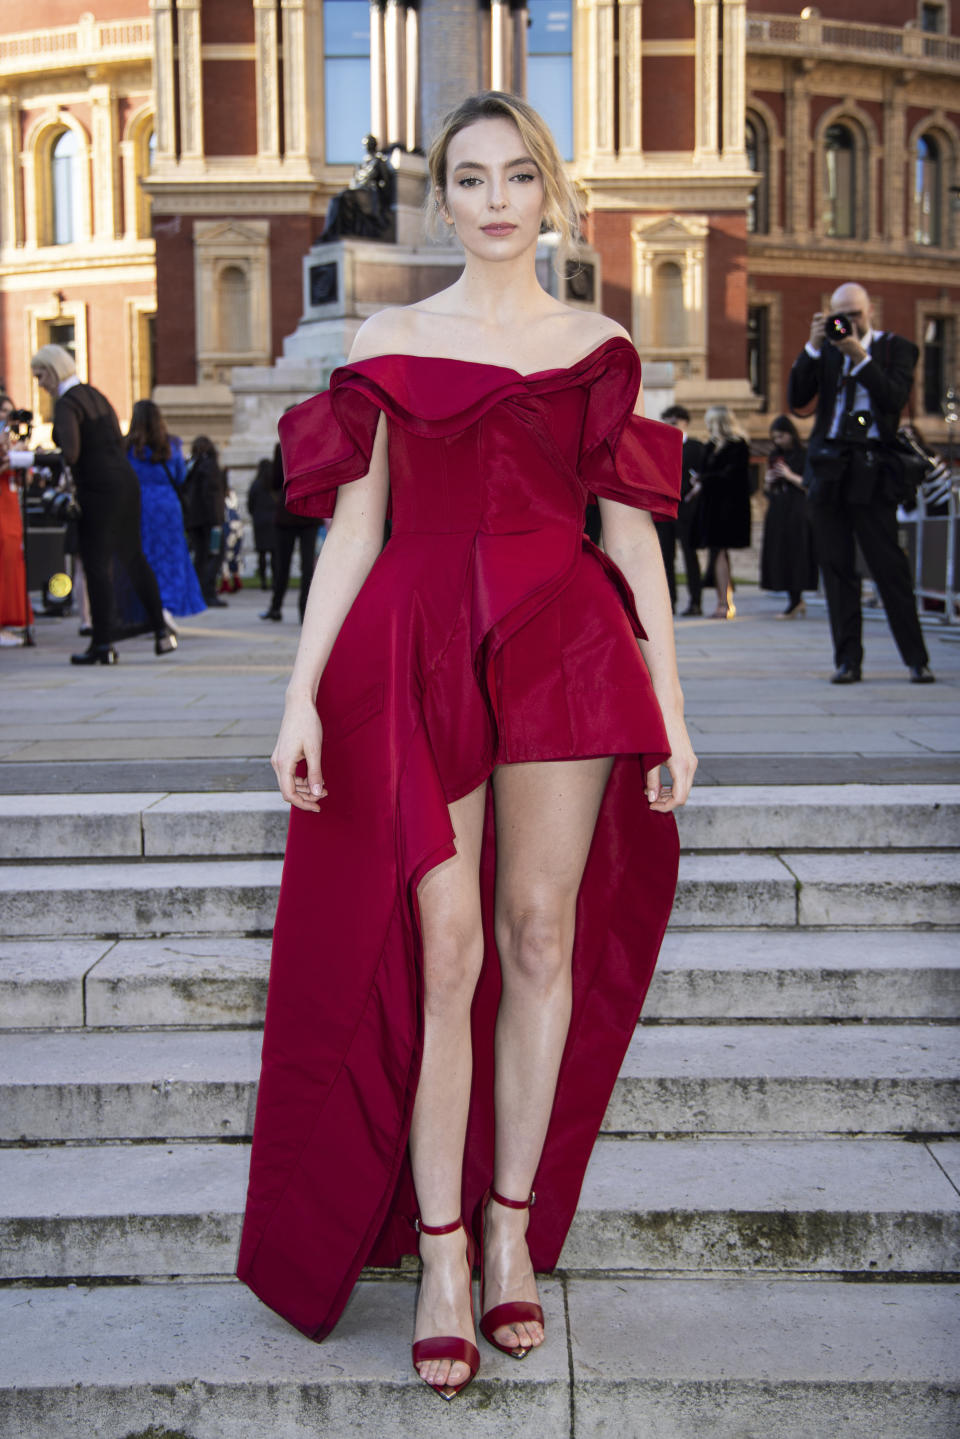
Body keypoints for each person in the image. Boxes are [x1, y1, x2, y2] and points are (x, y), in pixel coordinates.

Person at [237, 91, 696, 1403]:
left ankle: (510, 1224)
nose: (495, 199)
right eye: (471, 178)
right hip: (418, 645)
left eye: (517, 176)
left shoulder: (600, 344)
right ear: (443, 197)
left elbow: (632, 536)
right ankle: (440, 1252)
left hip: (565, 643)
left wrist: (673, 706)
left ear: (547, 190)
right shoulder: (389, 337)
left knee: (540, 933)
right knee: (447, 949)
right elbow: (354, 532)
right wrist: (300, 694)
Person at [787, 281, 934, 684]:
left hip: (872, 469)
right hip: (829, 467)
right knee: (836, 569)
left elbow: (892, 399)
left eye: (855, 314)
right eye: (840, 316)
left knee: (889, 567)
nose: (847, 323)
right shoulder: (827, 352)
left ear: (871, 312)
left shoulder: (895, 349)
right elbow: (797, 399)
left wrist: (860, 357)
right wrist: (815, 348)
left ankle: (916, 658)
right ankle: (848, 660)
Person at [29, 345, 176, 665]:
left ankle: (103, 644)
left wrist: (23, 457)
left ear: (53, 371)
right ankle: (161, 632)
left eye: (40, 375)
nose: (39, 383)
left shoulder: (68, 403)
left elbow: (70, 454)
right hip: (125, 483)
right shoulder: (96, 395)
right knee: (134, 558)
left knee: (96, 565)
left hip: (98, 490)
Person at [125, 400, 205, 621]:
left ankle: (146, 608)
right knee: (170, 557)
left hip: (139, 505)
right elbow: (180, 476)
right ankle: (167, 606)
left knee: (144, 556)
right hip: (168, 506)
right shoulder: (171, 445)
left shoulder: (128, 448)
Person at [689, 405, 750, 619]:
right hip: (710, 505)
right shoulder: (710, 446)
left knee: (719, 552)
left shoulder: (738, 446)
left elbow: (732, 476)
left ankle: (725, 603)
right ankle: (723, 601)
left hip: (728, 507)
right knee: (715, 552)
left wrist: (704, 479)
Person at [760, 414, 817, 619]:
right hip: (779, 508)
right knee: (780, 553)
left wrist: (789, 475)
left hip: (798, 509)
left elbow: (809, 485)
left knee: (797, 553)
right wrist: (768, 480)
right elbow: (768, 491)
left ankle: (796, 599)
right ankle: (792, 598)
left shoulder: (804, 455)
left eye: (781, 436)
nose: (778, 441)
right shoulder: (774, 455)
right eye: (775, 437)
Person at [259, 436, 320, 623]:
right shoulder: (313, 444)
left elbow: (276, 481)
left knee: (282, 565)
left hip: (288, 511)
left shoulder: (283, 446)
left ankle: (276, 607)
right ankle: (305, 610)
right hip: (309, 512)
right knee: (307, 566)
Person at [660, 404, 704, 616]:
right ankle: (670, 602)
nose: (671, 427)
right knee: (665, 558)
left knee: (690, 555)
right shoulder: (659, 445)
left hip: (688, 509)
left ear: (685, 422)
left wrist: (698, 485)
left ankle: (695, 601)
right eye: (667, 423)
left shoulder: (696, 447)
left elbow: (704, 474)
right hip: (665, 509)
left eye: (674, 423)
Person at [182, 436, 227, 607]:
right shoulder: (210, 467)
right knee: (215, 554)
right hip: (210, 519)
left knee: (200, 558)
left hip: (194, 520)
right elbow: (213, 495)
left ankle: (200, 591)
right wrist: (217, 520)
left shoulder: (192, 466)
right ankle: (208, 591)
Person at [0, 421, 34, 644]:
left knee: (15, 565)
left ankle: (16, 621)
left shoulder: (13, 448)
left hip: (13, 514)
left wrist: (21, 458)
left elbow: (27, 480)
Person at [247, 459, 277, 590]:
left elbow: (250, 504)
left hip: (259, 522)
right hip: (274, 521)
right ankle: (275, 580)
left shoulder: (256, 484)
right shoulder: (274, 484)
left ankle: (263, 580)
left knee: (262, 553)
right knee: (275, 554)